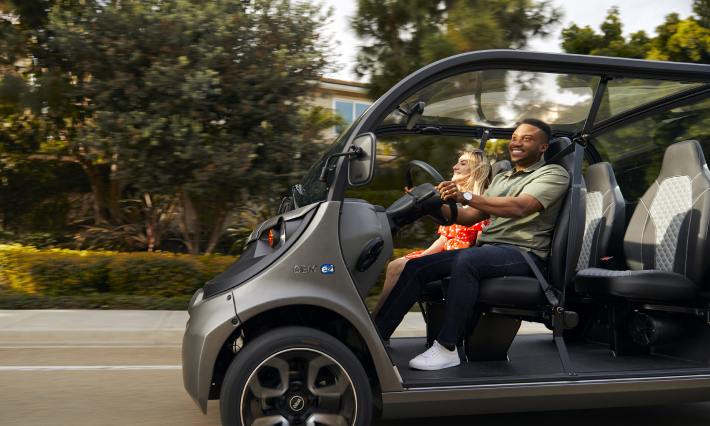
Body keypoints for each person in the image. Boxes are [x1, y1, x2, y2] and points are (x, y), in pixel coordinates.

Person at [374, 118, 570, 371]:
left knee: (468, 260)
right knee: (417, 266)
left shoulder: (553, 174)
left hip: (524, 254)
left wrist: (465, 195)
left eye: (527, 138)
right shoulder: (502, 179)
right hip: (490, 251)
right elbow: (467, 217)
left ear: (543, 147)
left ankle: (446, 347)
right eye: (514, 138)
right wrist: (427, 205)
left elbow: (522, 207)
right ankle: (376, 339)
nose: (517, 142)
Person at [370, 150, 492, 319]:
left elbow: (481, 242)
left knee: (399, 267)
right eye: (457, 162)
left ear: (478, 169)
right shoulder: (453, 198)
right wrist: (424, 255)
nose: (455, 166)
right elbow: (444, 238)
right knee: (396, 265)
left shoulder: (484, 200)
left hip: (464, 259)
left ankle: (377, 321)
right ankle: (377, 320)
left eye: (463, 163)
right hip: (445, 254)